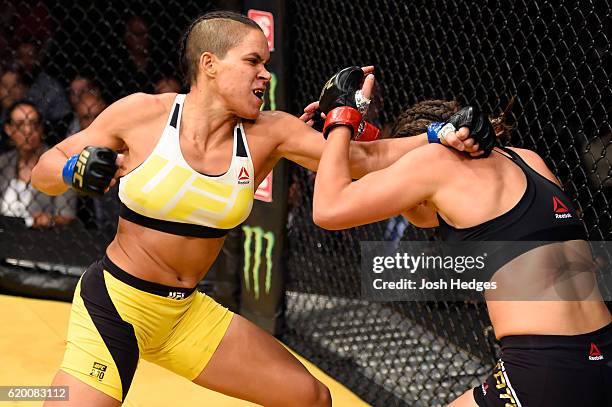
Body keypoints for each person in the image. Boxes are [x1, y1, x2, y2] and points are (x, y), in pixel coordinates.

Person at [31, 12, 481, 406]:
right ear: (209, 64)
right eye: (253, 61)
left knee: (309, 397)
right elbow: (43, 169)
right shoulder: (142, 114)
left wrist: (436, 136)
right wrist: (74, 169)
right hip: (116, 303)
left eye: (266, 62)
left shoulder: (270, 133)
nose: (265, 74)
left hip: (185, 315)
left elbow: (362, 160)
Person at [312, 96, 612, 406]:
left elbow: (327, 209)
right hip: (603, 350)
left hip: (546, 366)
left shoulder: (434, 162)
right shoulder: (528, 160)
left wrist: (342, 116)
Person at [0, 100, 76, 227]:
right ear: (9, 129)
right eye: (20, 124)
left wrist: (50, 220)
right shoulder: (3, 162)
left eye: (33, 123)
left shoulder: (60, 164)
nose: (28, 130)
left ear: (41, 128)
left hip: (42, 239)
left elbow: (67, 215)